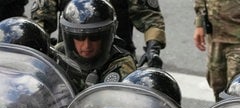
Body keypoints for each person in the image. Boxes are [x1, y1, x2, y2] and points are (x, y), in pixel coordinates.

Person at [31, 0, 166, 67]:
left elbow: (149, 17)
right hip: (69, 59)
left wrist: (153, 47)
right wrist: (37, 43)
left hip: (117, 59)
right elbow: (41, 18)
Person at [55, 0, 137, 93]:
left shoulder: (120, 64)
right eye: (79, 37)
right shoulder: (58, 54)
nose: (87, 45)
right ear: (70, 38)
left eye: (95, 37)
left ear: (105, 37)